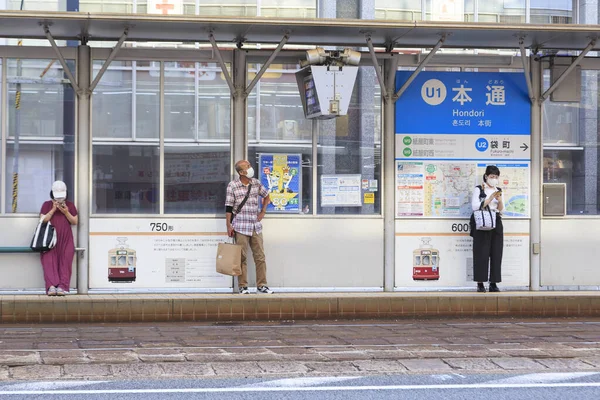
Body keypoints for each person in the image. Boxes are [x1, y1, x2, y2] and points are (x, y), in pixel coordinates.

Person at [225, 160, 274, 294]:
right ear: (241, 172)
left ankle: (262, 285)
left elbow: (267, 195)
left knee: (260, 256)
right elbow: (228, 207)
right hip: (240, 226)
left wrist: (263, 211)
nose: (251, 168)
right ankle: (243, 286)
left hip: (255, 226)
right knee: (241, 257)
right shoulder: (233, 186)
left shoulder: (256, 183)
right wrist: (228, 225)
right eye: (248, 166)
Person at [39, 181, 78, 296]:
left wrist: (66, 212)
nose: (59, 200)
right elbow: (43, 220)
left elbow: (74, 221)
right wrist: (53, 210)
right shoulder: (46, 205)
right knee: (48, 261)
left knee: (65, 261)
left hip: (65, 238)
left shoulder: (70, 205)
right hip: (49, 238)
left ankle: (62, 286)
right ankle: (51, 286)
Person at [471, 165, 504, 293]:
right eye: (491, 176)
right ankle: (480, 283)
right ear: (486, 176)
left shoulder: (499, 190)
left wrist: (499, 200)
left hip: (496, 221)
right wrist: (489, 199)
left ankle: (493, 283)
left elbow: (502, 209)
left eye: (496, 177)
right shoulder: (479, 189)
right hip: (482, 222)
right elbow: (475, 206)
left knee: (496, 253)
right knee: (481, 253)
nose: (494, 179)